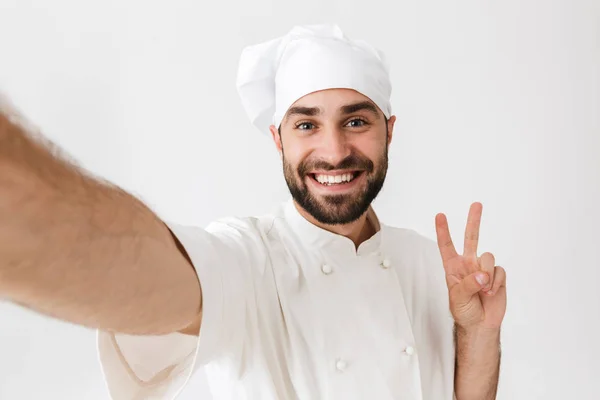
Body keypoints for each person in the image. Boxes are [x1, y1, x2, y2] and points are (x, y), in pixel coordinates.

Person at [0, 24, 507, 400]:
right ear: (277, 140)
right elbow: (137, 270)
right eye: (307, 125)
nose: (334, 151)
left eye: (355, 120)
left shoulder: (427, 263)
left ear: (389, 131)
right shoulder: (246, 260)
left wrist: (478, 334)